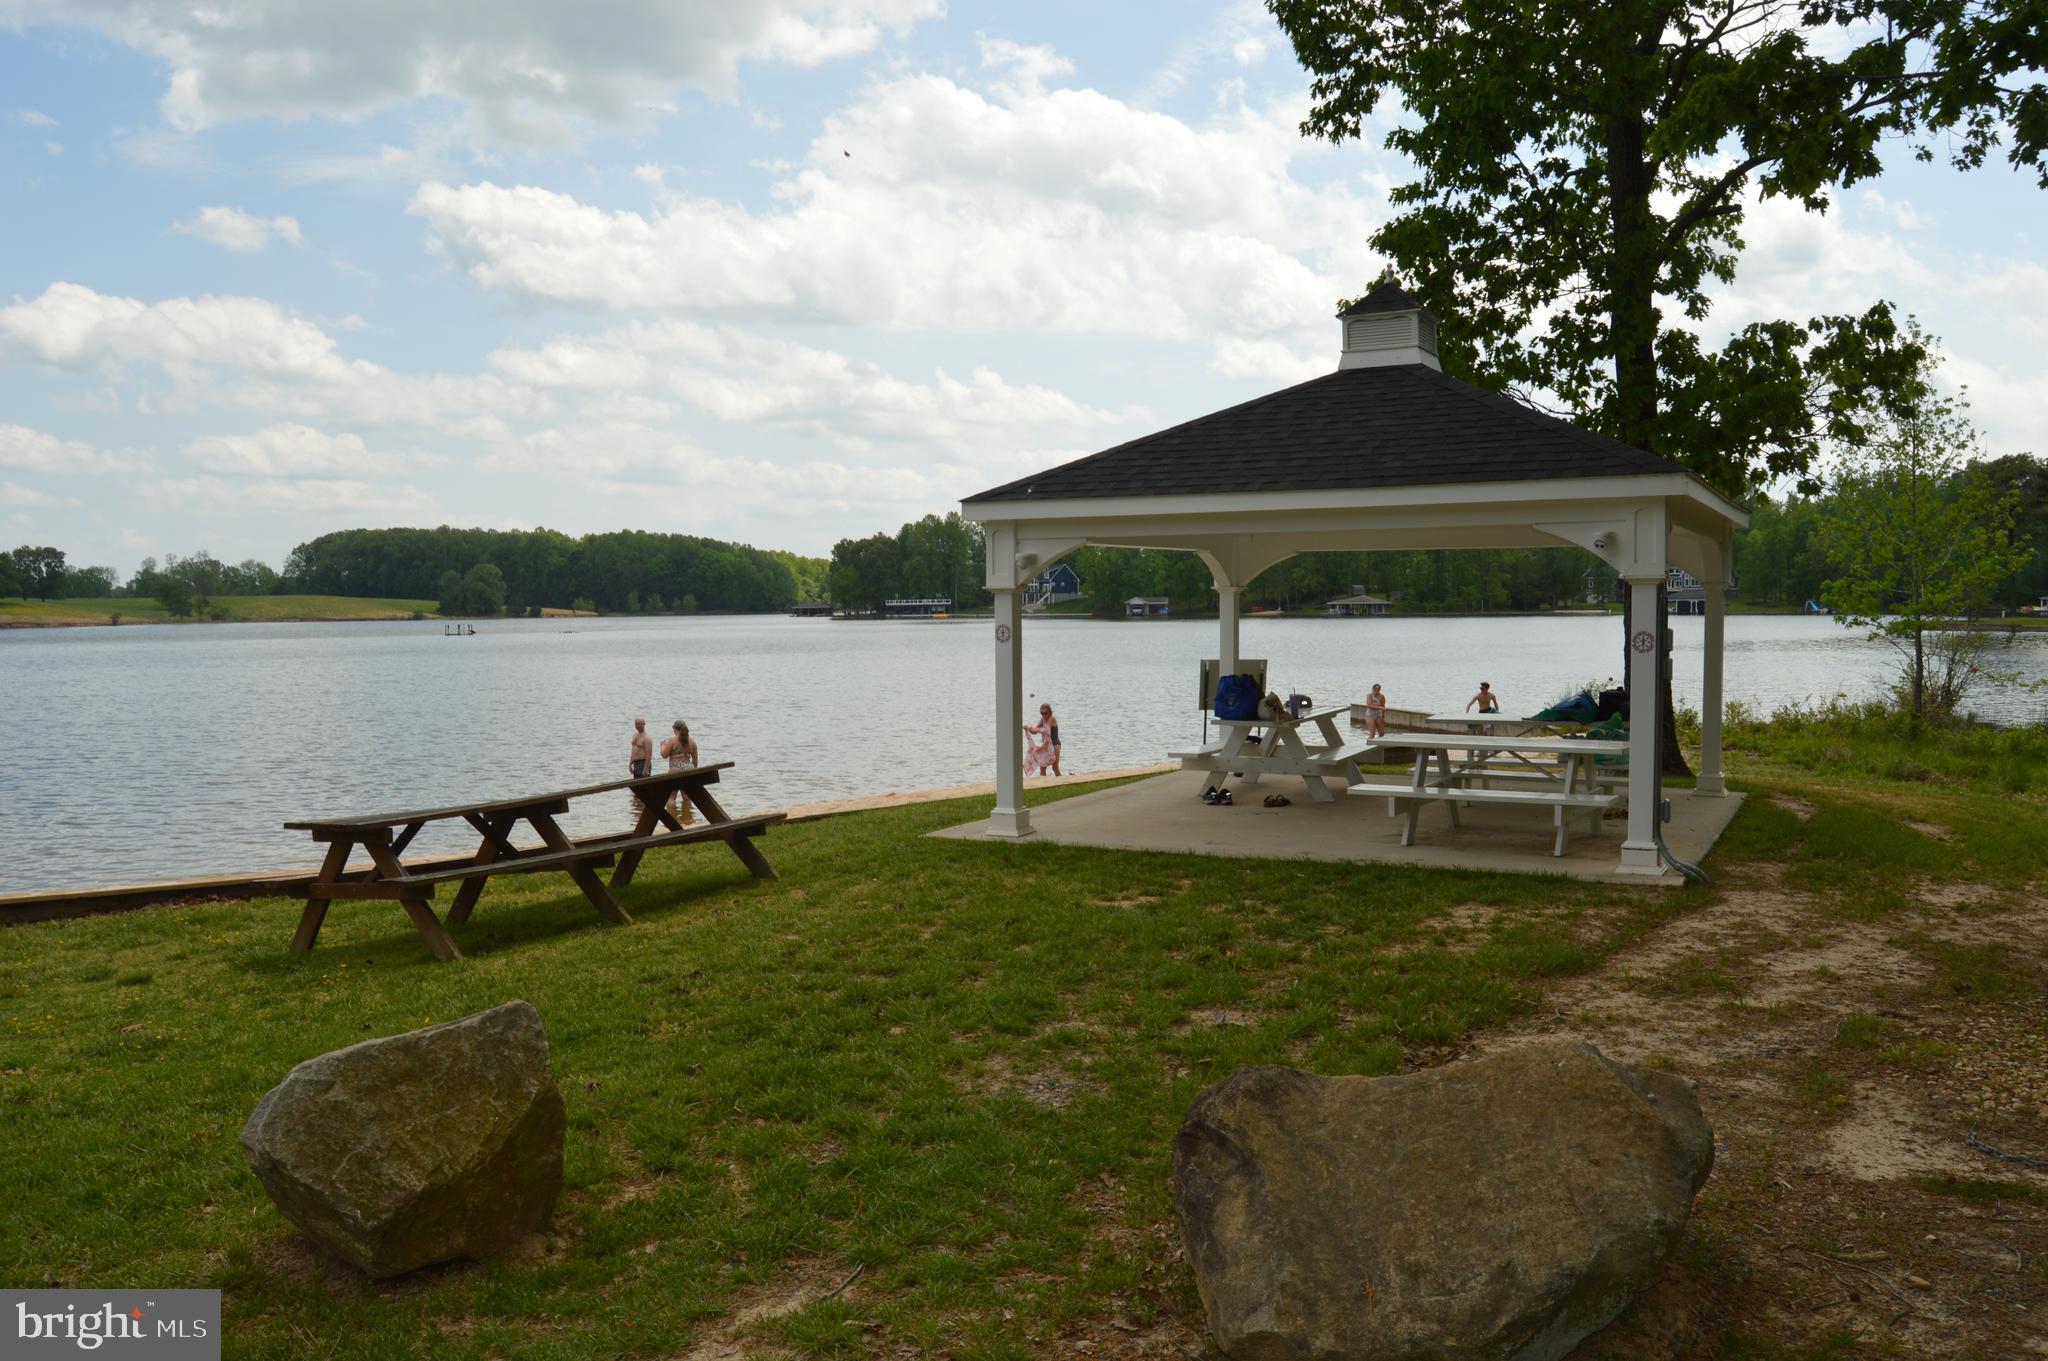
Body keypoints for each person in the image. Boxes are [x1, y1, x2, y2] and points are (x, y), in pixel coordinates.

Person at [660, 719, 699, 824]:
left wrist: (662, 745)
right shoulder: (692, 741)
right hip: (688, 768)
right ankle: (688, 820)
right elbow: (695, 761)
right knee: (687, 796)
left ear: (674, 729)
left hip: (675, 769)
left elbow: (664, 755)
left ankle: (672, 823)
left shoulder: (672, 740)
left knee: (671, 797)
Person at [1024, 703, 1062, 776]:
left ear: (1050, 712)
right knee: (1042, 767)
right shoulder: (1042, 719)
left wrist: (1031, 728)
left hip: (1055, 745)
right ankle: (1043, 783)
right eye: (1041, 713)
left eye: (1045, 713)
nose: (1043, 715)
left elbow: (1045, 729)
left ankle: (1061, 784)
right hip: (1046, 746)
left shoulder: (1052, 718)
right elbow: (1035, 731)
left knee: (1055, 767)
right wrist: (1028, 729)